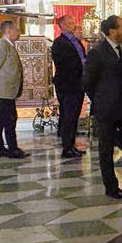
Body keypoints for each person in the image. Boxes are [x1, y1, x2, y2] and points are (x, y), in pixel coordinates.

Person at [83, 15, 122, 199]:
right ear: (112, 31)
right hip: (106, 109)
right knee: (106, 148)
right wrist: (101, 100)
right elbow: (88, 82)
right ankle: (111, 185)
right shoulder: (98, 52)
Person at [0, 21, 28, 159]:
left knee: (5, 120)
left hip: (7, 91)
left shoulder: (8, 45)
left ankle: (1, 148)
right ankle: (8, 148)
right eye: (17, 29)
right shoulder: (2, 46)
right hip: (3, 91)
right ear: (9, 30)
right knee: (6, 120)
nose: (19, 32)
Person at [52, 15, 87, 159]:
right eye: (71, 22)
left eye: (74, 21)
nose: (74, 24)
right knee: (69, 117)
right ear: (64, 26)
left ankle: (71, 145)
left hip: (78, 84)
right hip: (68, 85)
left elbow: (82, 58)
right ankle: (67, 148)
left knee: (74, 117)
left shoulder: (76, 41)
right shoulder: (60, 43)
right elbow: (64, 64)